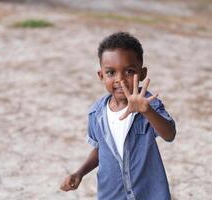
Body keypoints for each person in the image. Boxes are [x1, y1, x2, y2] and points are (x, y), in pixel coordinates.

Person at [60, 32, 176, 200]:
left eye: (129, 71)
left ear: (142, 74)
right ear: (101, 76)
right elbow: (101, 149)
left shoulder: (148, 104)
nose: (120, 79)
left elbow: (169, 134)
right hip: (112, 193)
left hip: (148, 192)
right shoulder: (96, 113)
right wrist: (79, 173)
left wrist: (147, 111)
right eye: (110, 73)